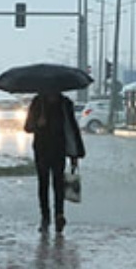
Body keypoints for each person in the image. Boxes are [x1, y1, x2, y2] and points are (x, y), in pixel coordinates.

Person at [23, 90, 84, 232]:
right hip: (42, 149)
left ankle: (59, 215)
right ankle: (45, 217)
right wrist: (38, 124)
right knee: (43, 184)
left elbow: (71, 128)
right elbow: (27, 127)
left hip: (59, 149)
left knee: (58, 184)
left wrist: (74, 154)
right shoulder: (38, 103)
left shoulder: (65, 104)